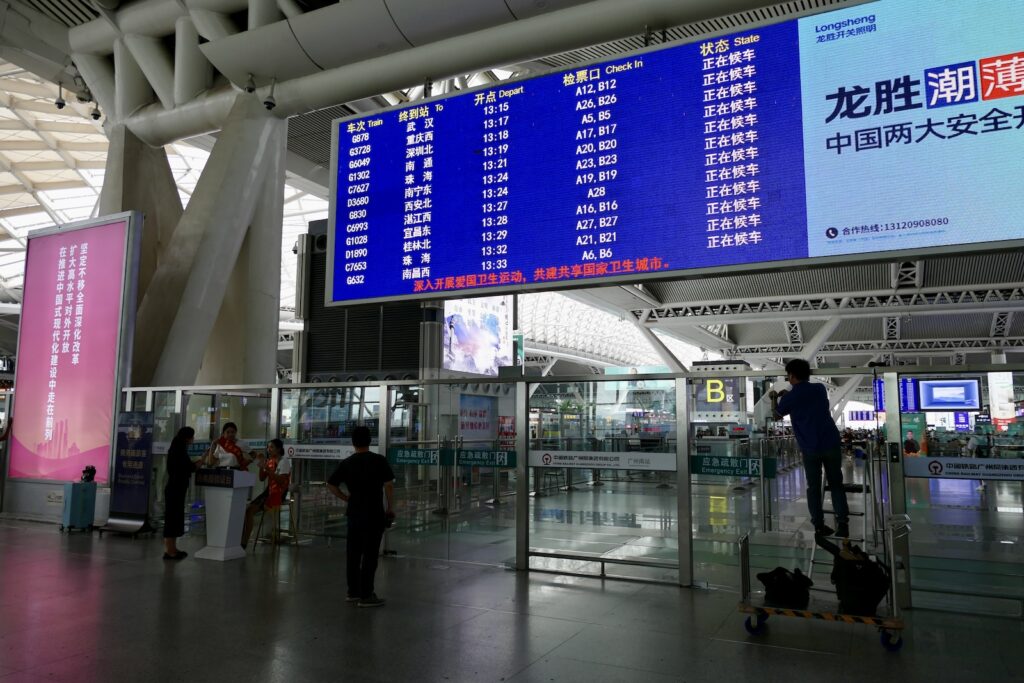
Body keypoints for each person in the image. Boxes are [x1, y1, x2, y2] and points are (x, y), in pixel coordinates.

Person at [774, 358, 850, 538]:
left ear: (791, 375)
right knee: (836, 484)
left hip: (810, 449)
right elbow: (806, 398)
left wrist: (779, 398)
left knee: (813, 487)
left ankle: (818, 525)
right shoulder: (819, 389)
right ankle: (843, 523)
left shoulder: (789, 397)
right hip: (830, 443)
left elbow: (776, 415)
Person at [326, 426, 395, 608]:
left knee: (353, 554)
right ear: (370, 441)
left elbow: (331, 485)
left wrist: (346, 497)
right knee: (370, 554)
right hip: (374, 513)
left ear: (353, 442)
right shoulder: (379, 460)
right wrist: (390, 507)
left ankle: (353, 592)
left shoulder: (346, 463)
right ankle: (366, 595)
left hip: (354, 513)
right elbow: (388, 485)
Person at [241, 439, 291, 548]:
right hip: (269, 491)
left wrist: (267, 469)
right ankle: (243, 541)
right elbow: (261, 478)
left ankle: (244, 542)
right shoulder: (270, 461)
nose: (269, 450)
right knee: (248, 510)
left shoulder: (284, 461)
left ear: (278, 449)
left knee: (251, 510)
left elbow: (281, 480)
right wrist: (262, 465)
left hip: (279, 492)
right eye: (268, 447)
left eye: (271, 447)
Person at [164, 426, 200, 560]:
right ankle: (170, 550)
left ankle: (171, 548)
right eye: (192, 436)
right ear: (187, 437)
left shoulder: (176, 449)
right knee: (172, 519)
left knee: (173, 517)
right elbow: (190, 467)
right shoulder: (179, 451)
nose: (193, 439)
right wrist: (202, 460)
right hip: (175, 489)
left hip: (174, 488)